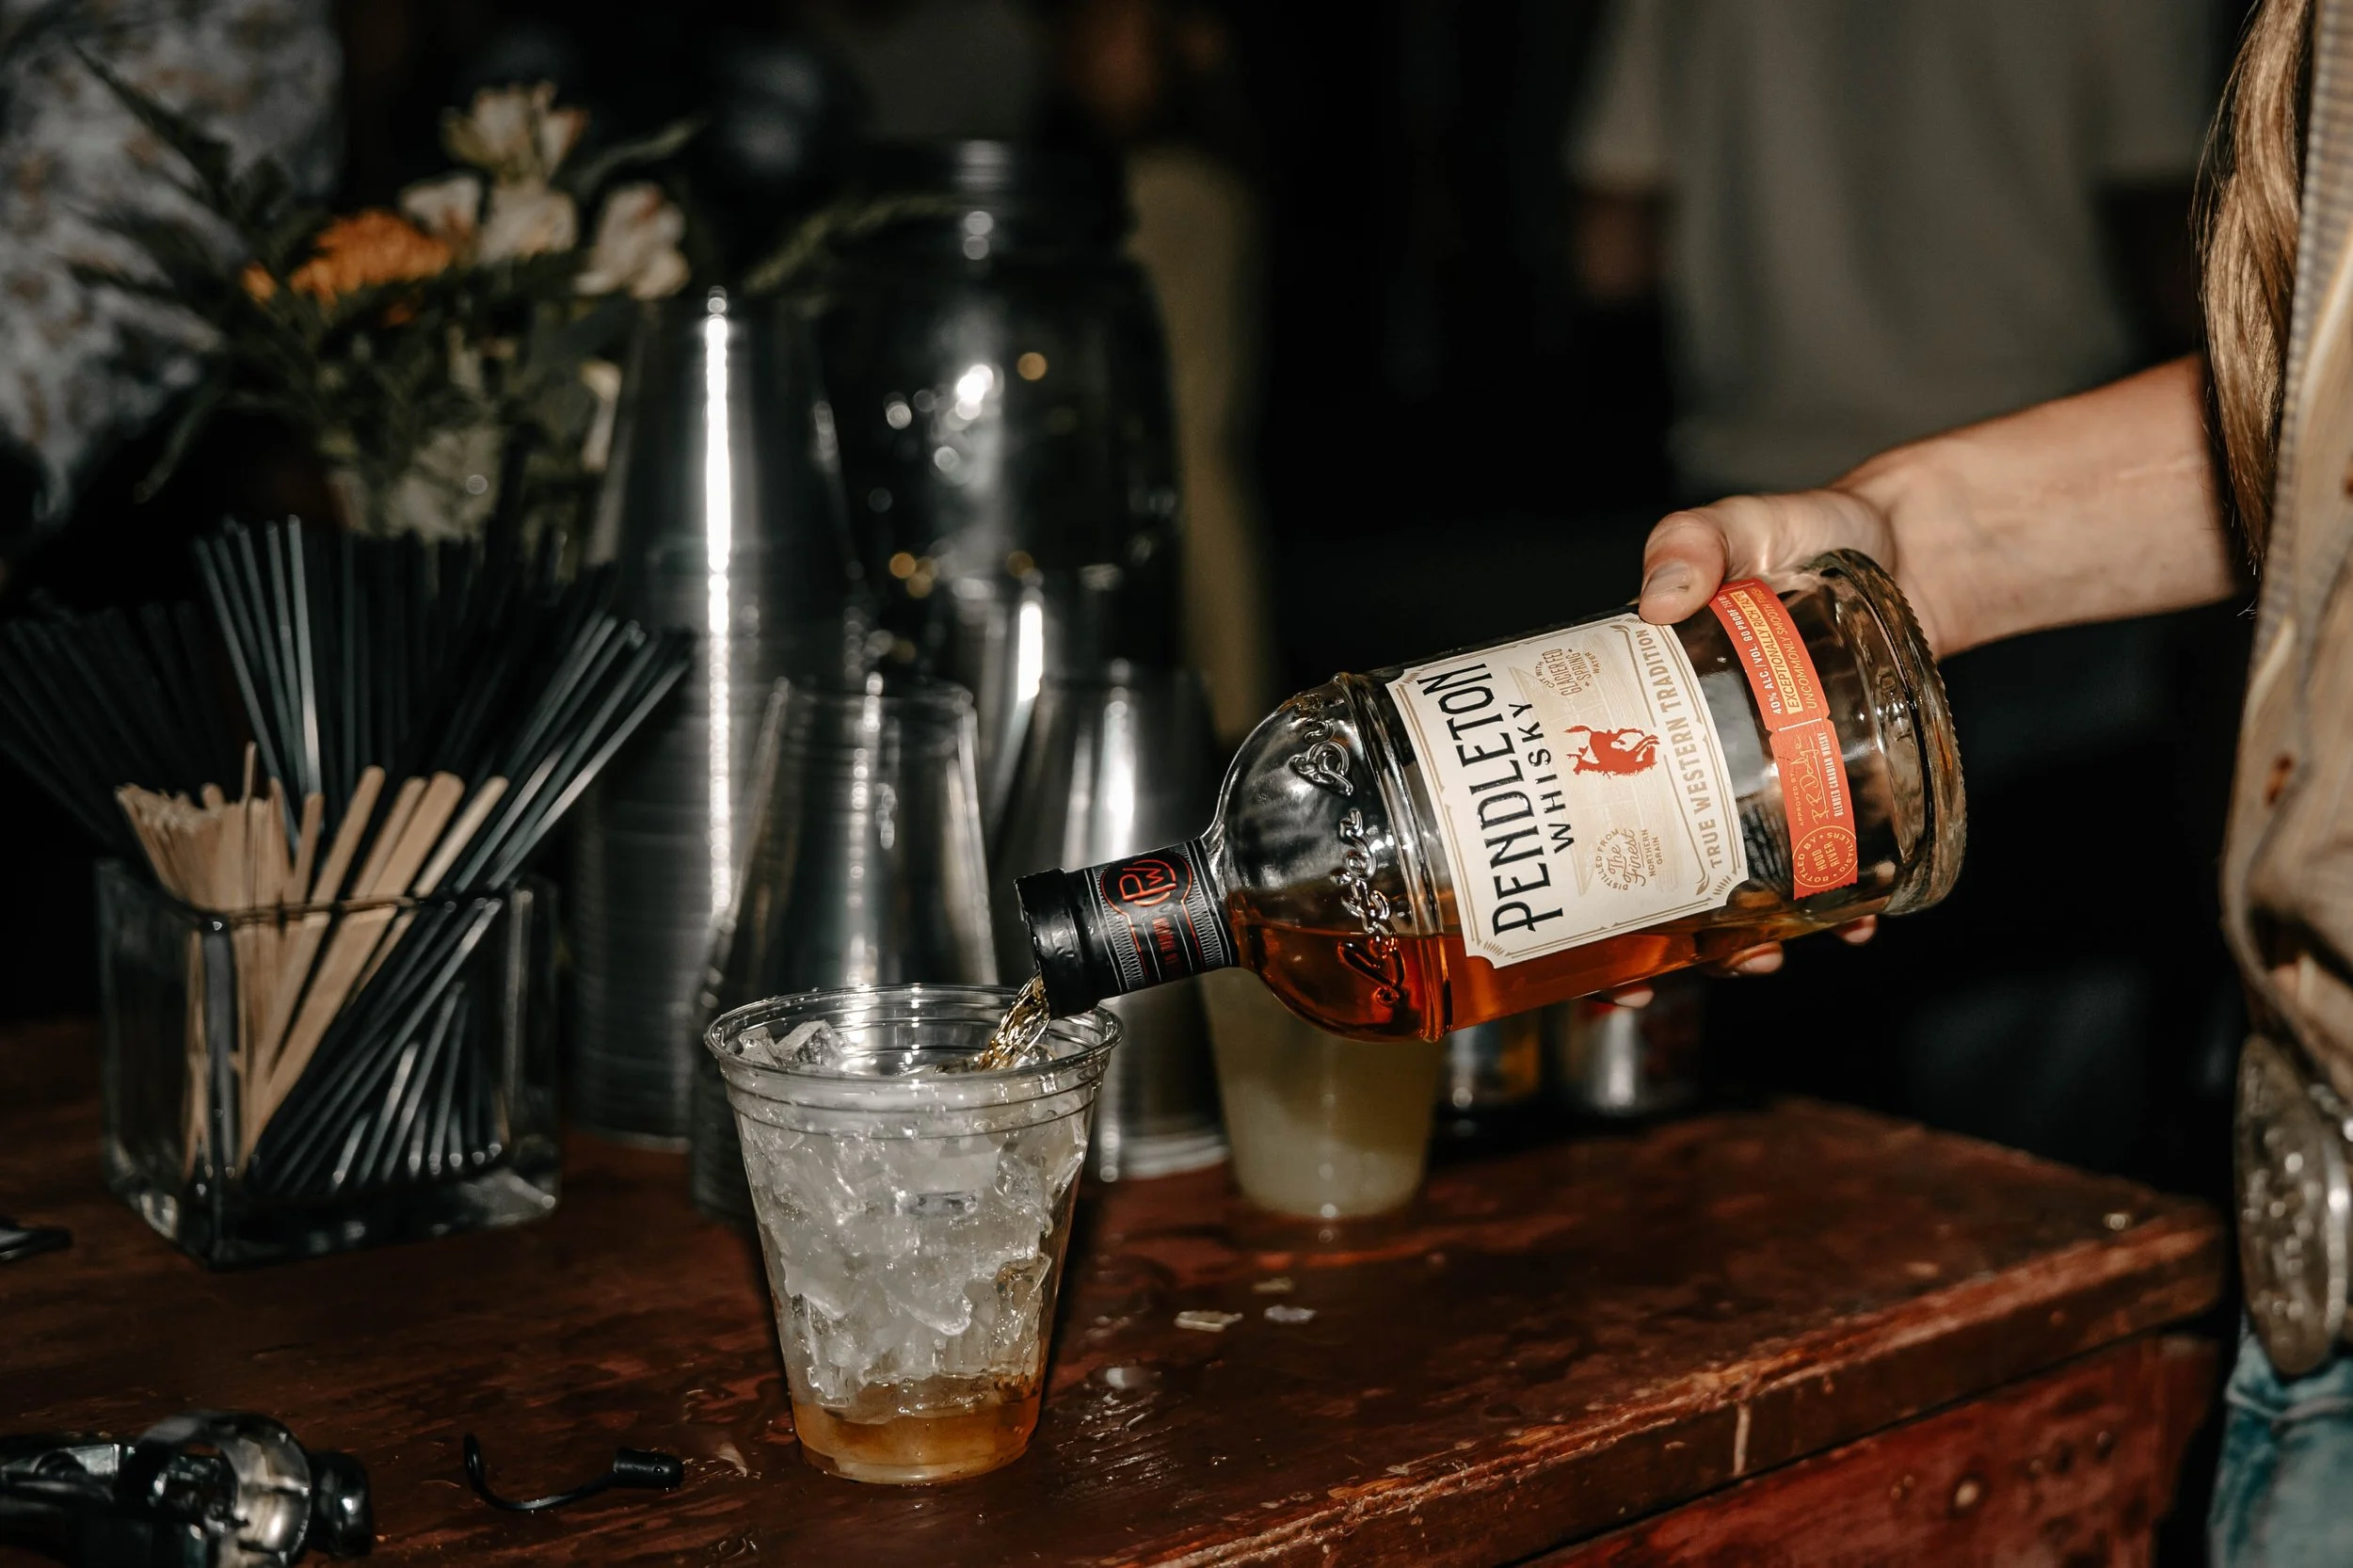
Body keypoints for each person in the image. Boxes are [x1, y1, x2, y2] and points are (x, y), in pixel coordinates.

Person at [1620, 1, 2350, 1557]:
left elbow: (1611, 239)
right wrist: (1913, 536)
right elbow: (2313, 376)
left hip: (1827, 489)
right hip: (1851, 586)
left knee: (2006, 1184)